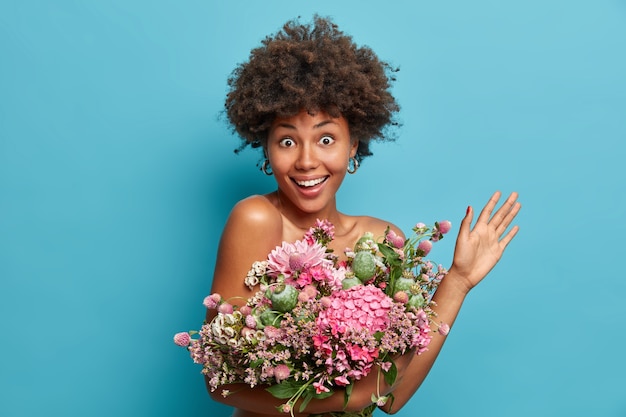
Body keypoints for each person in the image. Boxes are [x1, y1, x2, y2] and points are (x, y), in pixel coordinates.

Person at [206, 15, 521, 417]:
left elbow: (391, 398)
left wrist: (457, 281)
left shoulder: (381, 240)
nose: (306, 161)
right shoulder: (256, 218)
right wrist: (353, 397)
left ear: (353, 145)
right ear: (266, 147)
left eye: (325, 139)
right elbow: (221, 382)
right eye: (287, 140)